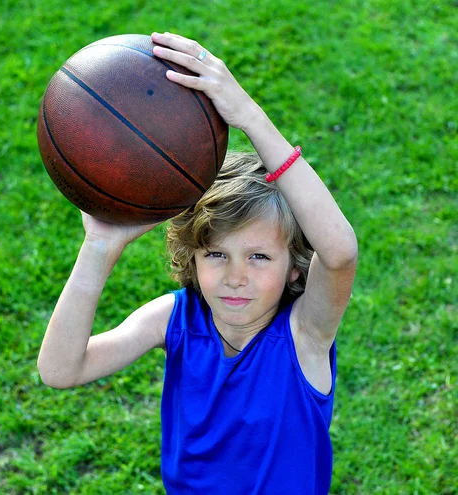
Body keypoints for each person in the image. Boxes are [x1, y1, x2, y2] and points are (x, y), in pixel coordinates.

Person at [37, 31, 358, 494]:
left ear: (296, 267)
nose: (235, 276)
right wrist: (100, 247)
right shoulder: (176, 319)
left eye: (259, 256)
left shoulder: (304, 335)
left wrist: (248, 116)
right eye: (216, 254)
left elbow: (340, 251)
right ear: (193, 255)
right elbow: (60, 371)